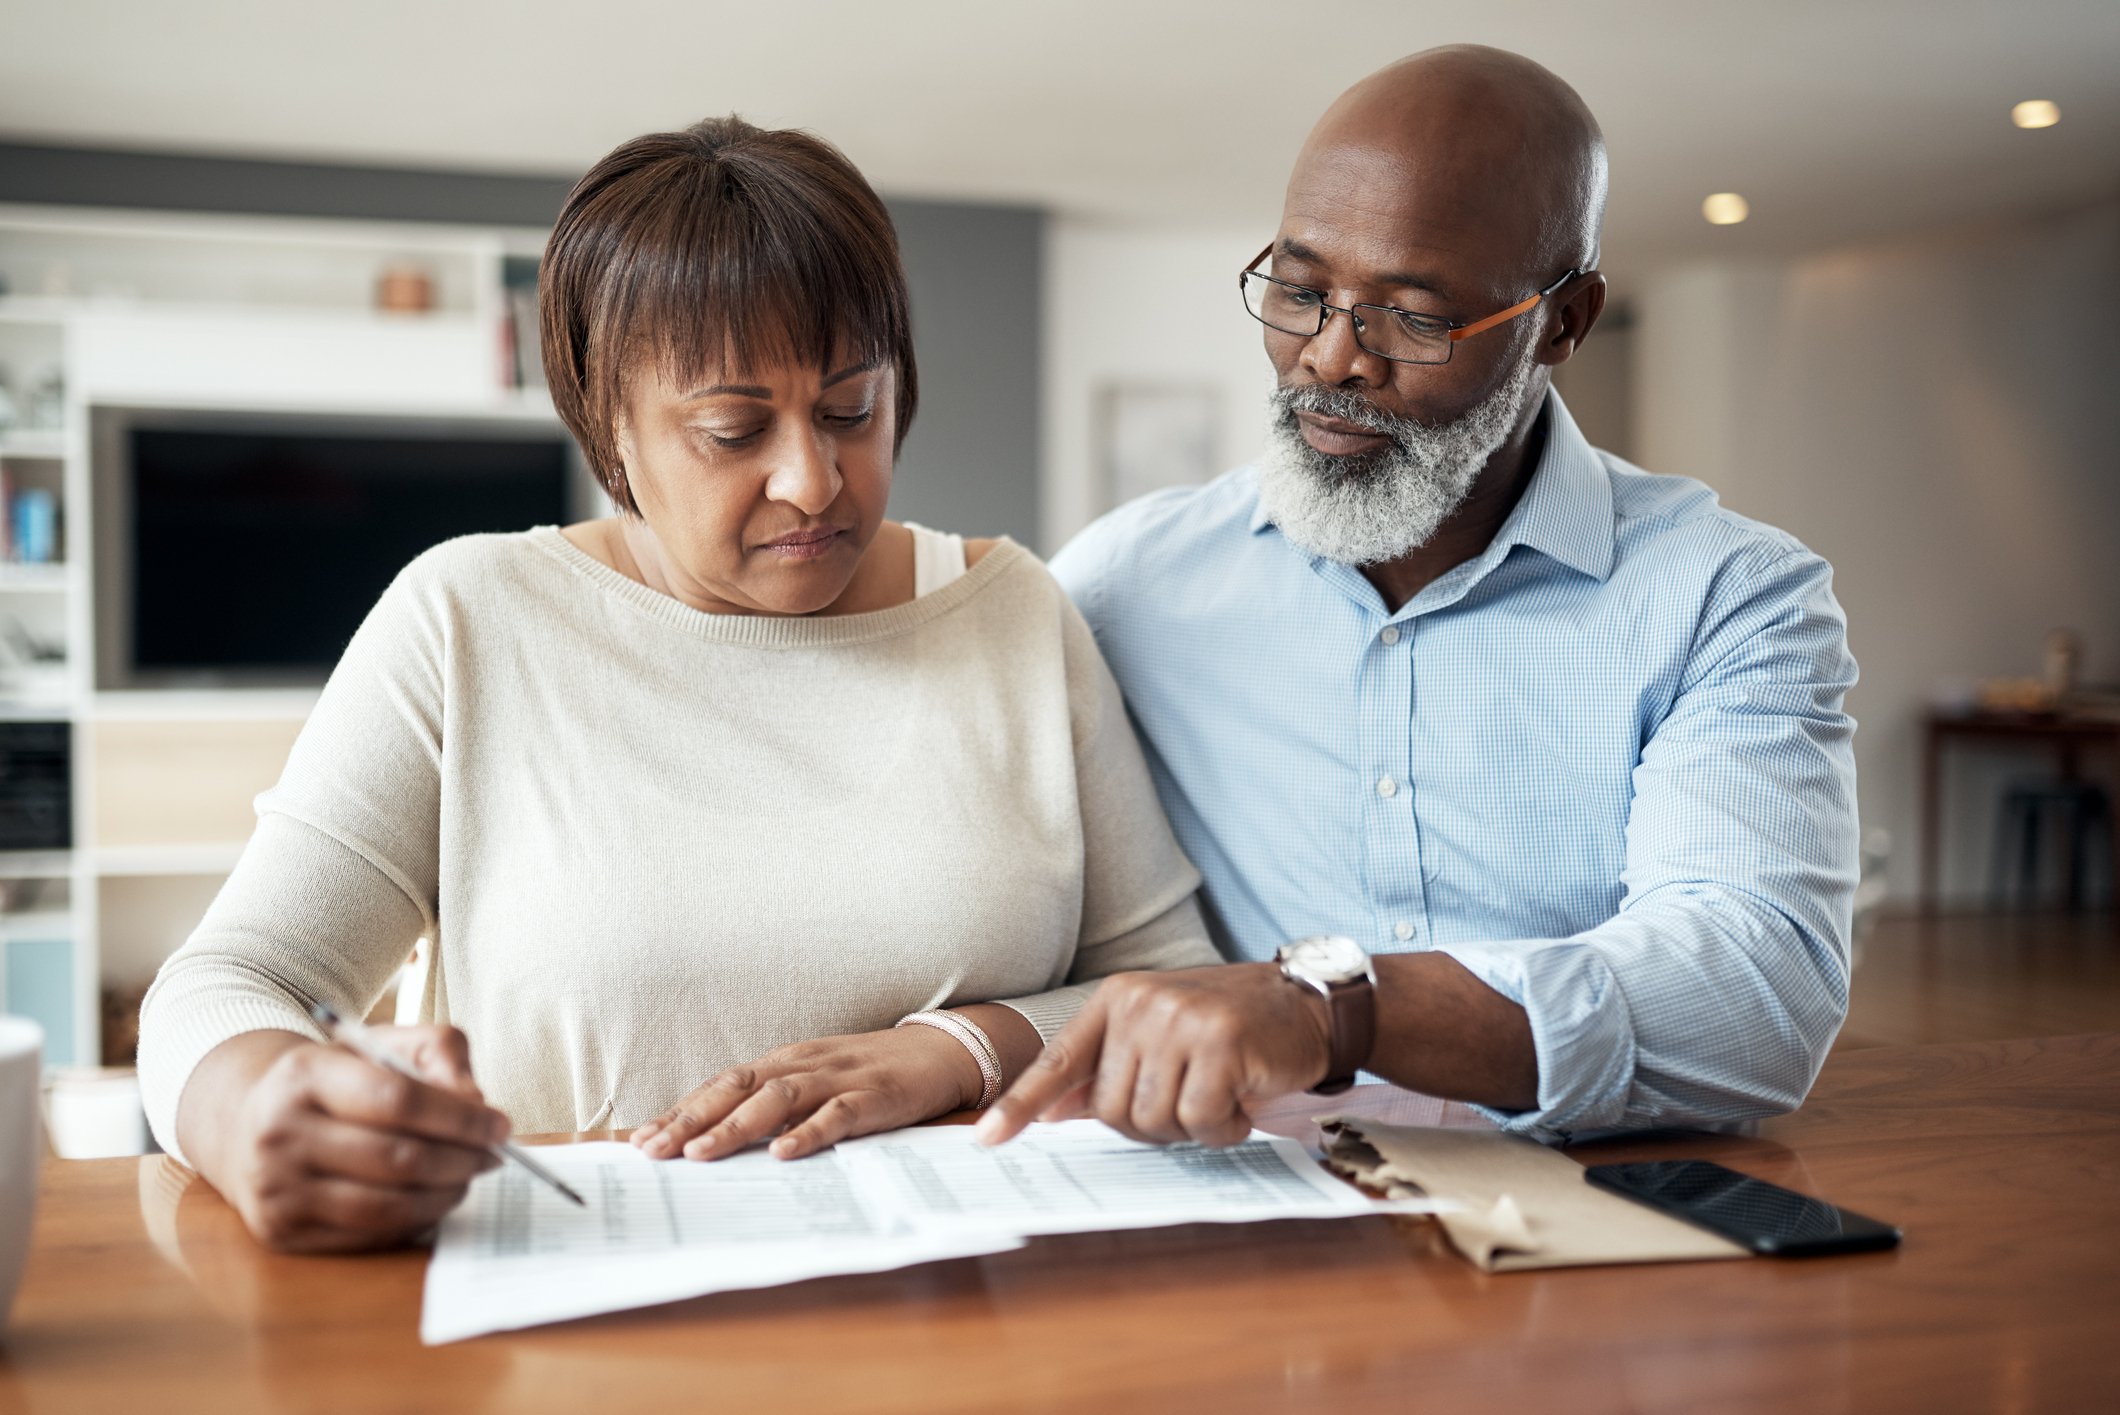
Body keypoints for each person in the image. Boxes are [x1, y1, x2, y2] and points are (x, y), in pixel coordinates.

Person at [138, 116, 1218, 1252]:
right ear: (610, 426)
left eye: (851, 408)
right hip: (577, 1305)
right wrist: (250, 1102)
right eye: (732, 428)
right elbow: (232, 978)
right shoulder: (467, 617)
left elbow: (1181, 992)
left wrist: (960, 1047)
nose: (812, 478)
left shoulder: (1013, 612)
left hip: (971, 1319)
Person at [978, 46, 1858, 1151]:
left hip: (1599, 1233)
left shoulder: (1727, 599)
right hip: (1236, 1213)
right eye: (1299, 293)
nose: (1329, 358)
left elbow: (1753, 999)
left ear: (1564, 321)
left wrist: (1331, 1010)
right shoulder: (1127, 584)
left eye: (1413, 316)